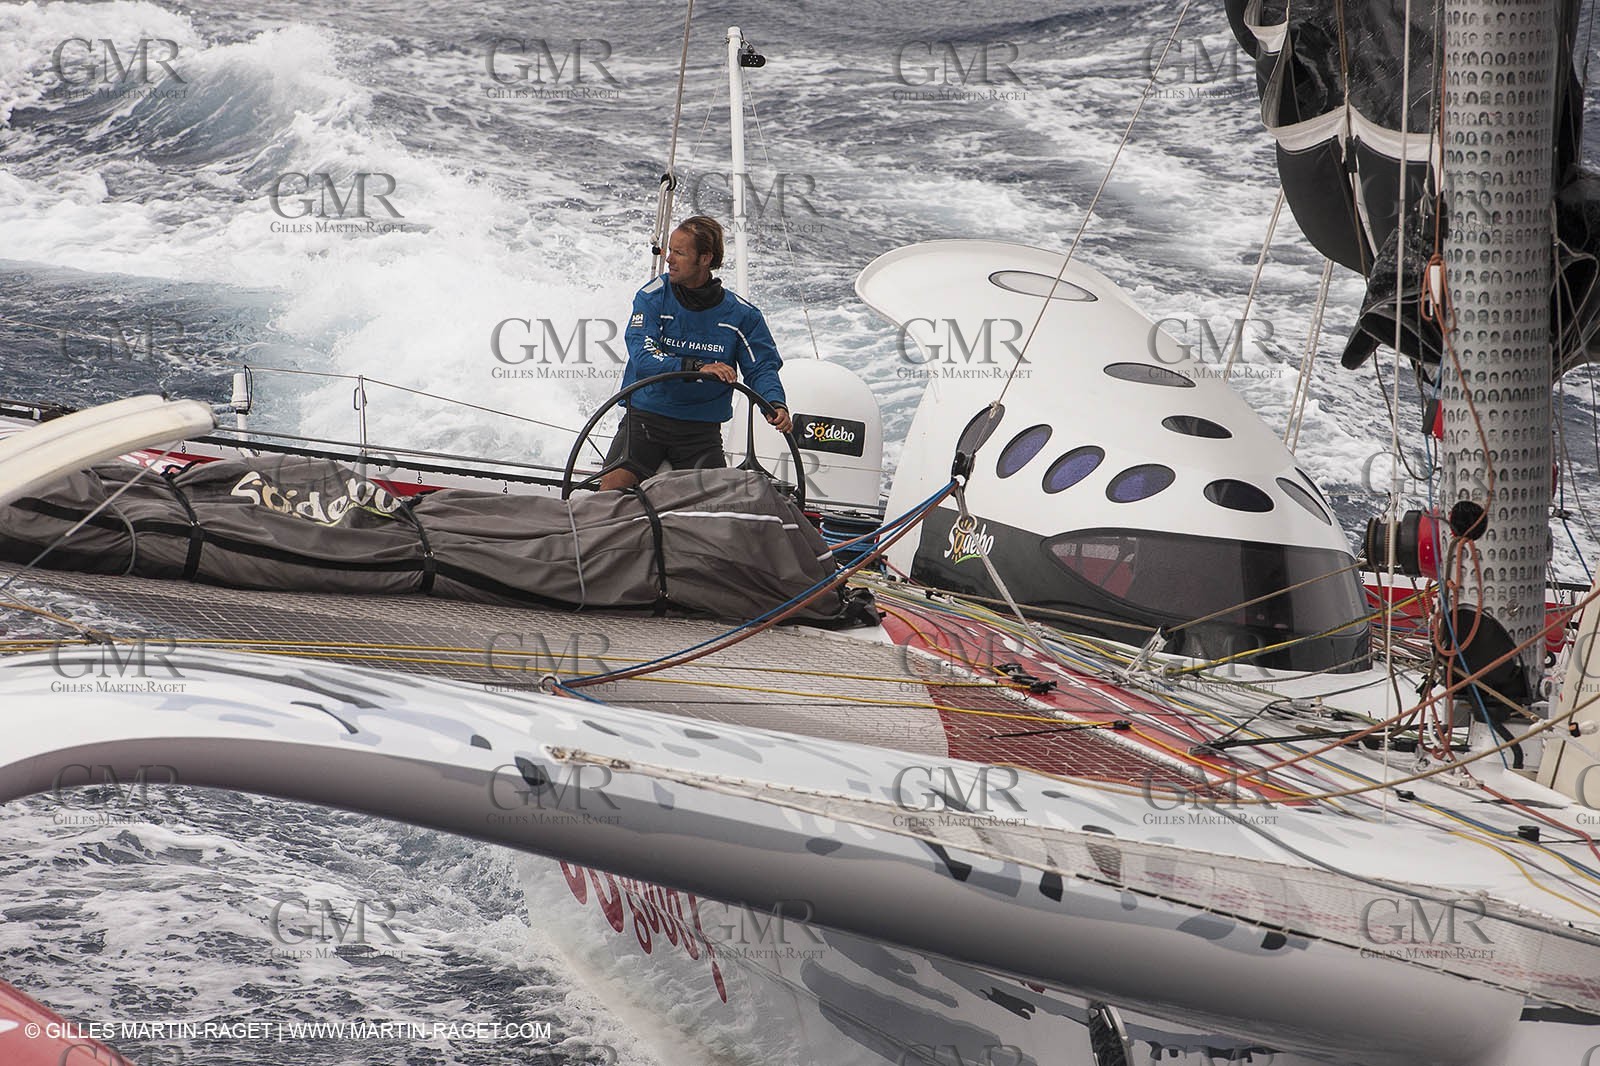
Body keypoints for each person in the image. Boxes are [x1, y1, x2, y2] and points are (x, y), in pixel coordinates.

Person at [599, 215, 791, 491]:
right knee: (608, 494)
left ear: (704, 259)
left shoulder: (742, 315)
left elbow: (760, 367)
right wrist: (696, 367)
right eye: (670, 250)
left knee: (715, 514)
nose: (669, 259)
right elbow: (643, 356)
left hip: (700, 432)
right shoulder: (652, 297)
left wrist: (774, 402)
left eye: (679, 252)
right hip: (645, 420)